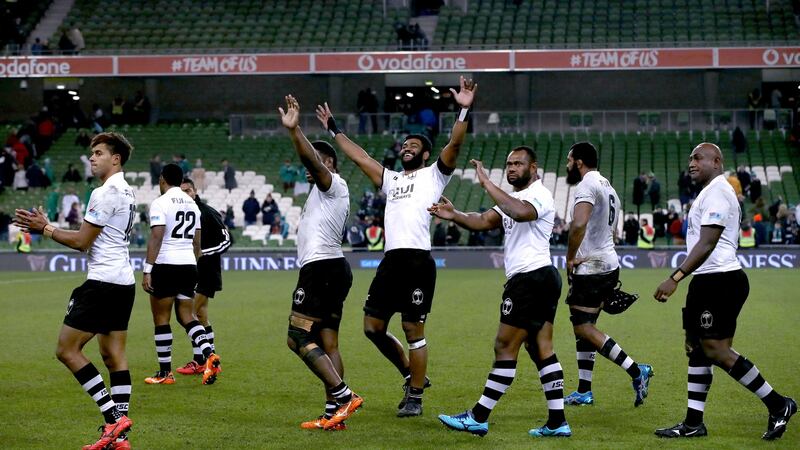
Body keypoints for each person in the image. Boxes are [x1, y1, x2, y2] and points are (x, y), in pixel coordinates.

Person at [315, 75, 477, 417]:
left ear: (426, 152)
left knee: (412, 328)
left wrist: (462, 112)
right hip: (390, 261)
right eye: (404, 144)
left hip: (417, 260)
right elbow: (360, 158)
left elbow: (455, 145)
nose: (407, 146)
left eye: (414, 144)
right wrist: (334, 129)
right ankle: (410, 373)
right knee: (372, 328)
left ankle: (415, 396)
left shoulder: (435, 174)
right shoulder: (391, 179)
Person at [653, 143, 796, 440]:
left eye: (697, 158)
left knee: (716, 349)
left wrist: (675, 276)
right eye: (690, 157)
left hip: (721, 280)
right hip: (706, 280)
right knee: (696, 349)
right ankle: (693, 423)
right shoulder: (708, 192)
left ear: (716, 162)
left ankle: (778, 403)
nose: (691, 163)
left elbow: (707, 243)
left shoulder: (718, 191)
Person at [434, 147, 570, 438]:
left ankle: (478, 417)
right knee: (540, 348)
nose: (511, 168)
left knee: (504, 346)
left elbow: (520, 214)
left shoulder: (538, 195)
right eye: (508, 164)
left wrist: (486, 183)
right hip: (541, 278)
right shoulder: (515, 198)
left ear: (534, 168)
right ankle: (558, 421)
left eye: (518, 163)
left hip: (530, 279)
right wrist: (454, 214)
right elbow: (483, 221)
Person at [13, 132, 136, 449]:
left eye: (98, 152)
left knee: (67, 349)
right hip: (123, 282)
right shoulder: (127, 191)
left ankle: (113, 419)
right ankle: (118, 437)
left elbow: (82, 242)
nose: (92, 158)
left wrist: (46, 228)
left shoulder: (104, 192)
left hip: (102, 282)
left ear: (115, 158)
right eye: (92, 153)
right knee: (114, 356)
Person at [279, 95, 363, 430]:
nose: (312, 165)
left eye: (321, 158)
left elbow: (313, 161)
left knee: (296, 337)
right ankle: (334, 415)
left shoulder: (333, 184)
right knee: (328, 342)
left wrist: (295, 129)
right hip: (333, 268)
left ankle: (343, 395)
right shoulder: (322, 193)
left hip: (321, 269)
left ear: (330, 163)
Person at [560, 142, 653, 408]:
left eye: (569, 160)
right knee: (584, 330)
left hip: (592, 266)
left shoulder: (587, 185)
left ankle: (637, 371)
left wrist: (569, 258)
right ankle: (584, 391)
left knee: (583, 328)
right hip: (608, 263)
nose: (567, 165)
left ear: (579, 162)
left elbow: (579, 224)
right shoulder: (609, 188)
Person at [142, 163, 221, 386]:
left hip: (166, 264)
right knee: (188, 316)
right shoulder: (192, 205)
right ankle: (209, 354)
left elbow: (156, 237)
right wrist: (191, 265)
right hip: (188, 265)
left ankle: (165, 373)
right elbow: (197, 243)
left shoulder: (160, 203)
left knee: (161, 319)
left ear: (162, 180)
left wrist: (148, 270)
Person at [175, 178, 232, 376]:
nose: (185, 195)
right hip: (192, 272)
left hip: (207, 273)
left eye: (188, 190)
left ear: (195, 191)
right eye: (182, 191)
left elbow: (227, 240)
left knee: (188, 314)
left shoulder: (207, 212)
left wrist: (203, 252)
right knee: (201, 317)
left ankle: (202, 360)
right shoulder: (183, 213)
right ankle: (209, 360)